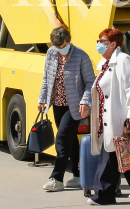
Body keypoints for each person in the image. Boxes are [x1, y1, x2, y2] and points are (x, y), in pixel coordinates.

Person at [88, 28, 130, 205]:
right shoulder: (107, 63)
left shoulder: (125, 61)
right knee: (125, 154)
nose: (99, 44)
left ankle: (103, 195)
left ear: (113, 44)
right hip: (109, 117)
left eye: (102, 41)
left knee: (110, 156)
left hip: (121, 119)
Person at [37, 26, 96, 191]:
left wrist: (86, 102)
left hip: (75, 105)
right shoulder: (51, 53)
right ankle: (78, 174)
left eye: (63, 46)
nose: (60, 50)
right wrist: (42, 99)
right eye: (57, 47)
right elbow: (47, 78)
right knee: (70, 138)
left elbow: (90, 82)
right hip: (57, 103)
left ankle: (56, 178)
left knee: (62, 138)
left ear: (69, 41)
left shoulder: (81, 56)